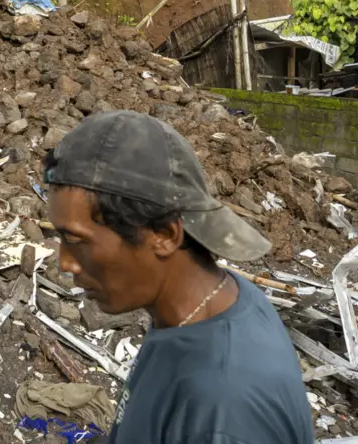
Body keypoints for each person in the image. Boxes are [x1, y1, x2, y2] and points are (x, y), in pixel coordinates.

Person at [43, 110, 315, 444]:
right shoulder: (203, 306)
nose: (66, 263)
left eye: (76, 240)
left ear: (164, 234)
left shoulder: (225, 409)